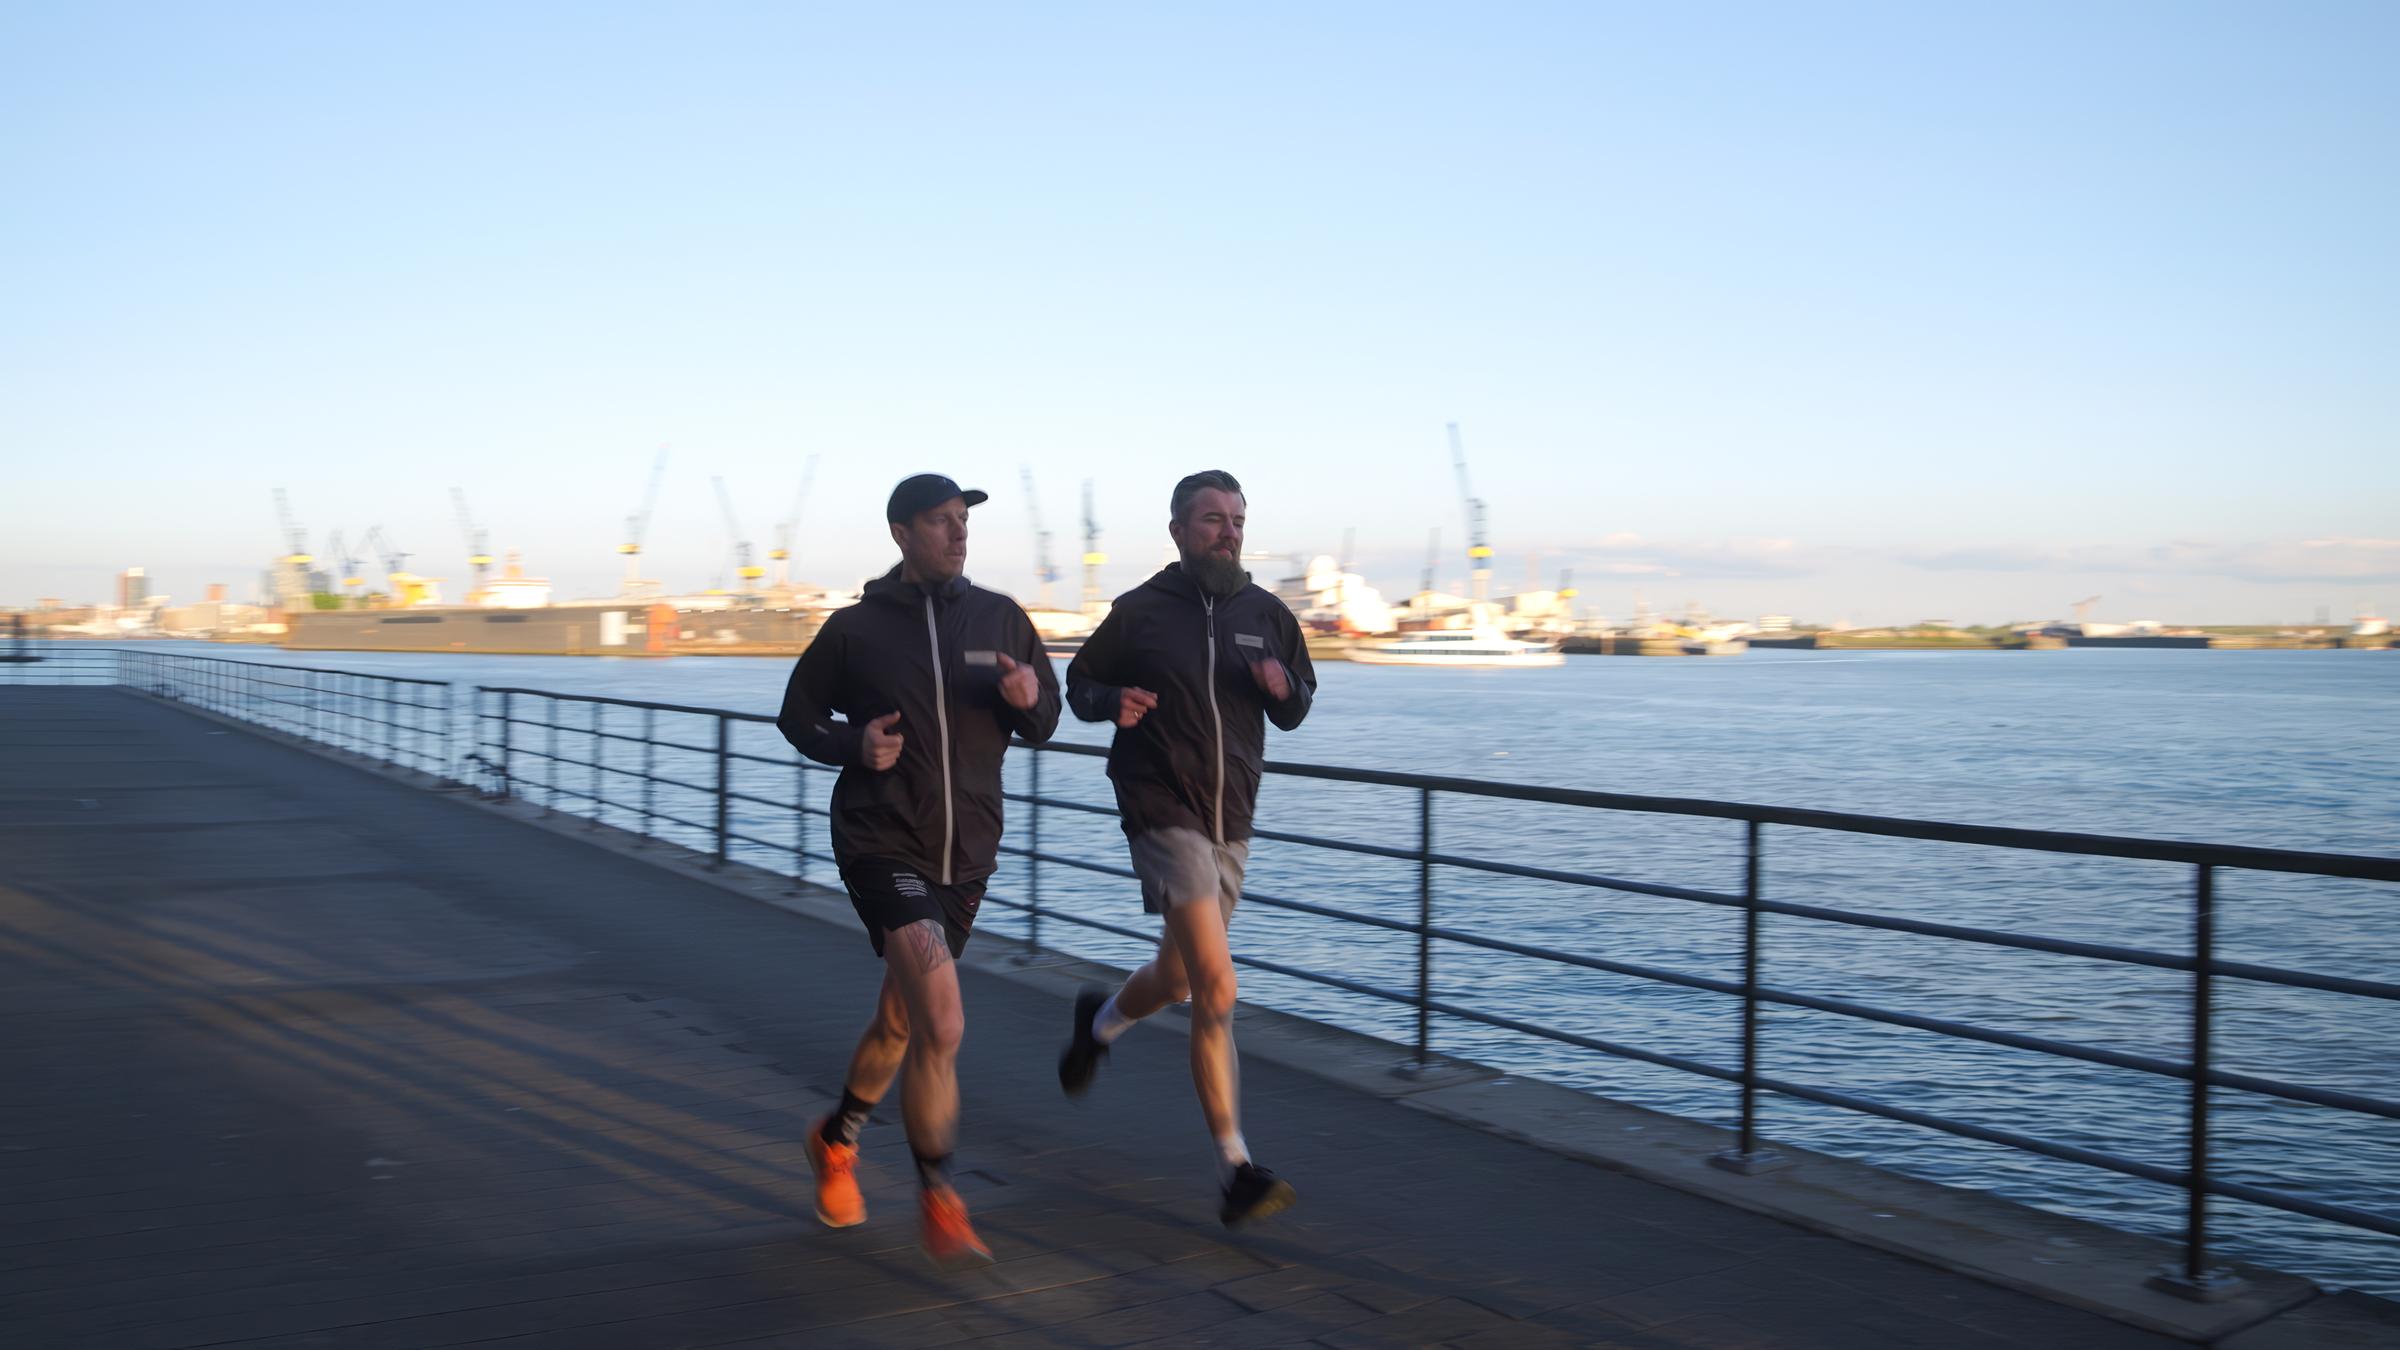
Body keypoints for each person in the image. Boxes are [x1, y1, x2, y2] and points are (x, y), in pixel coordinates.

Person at [777, 472, 1060, 1266]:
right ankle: (939, 1192)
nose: (958, 533)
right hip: (881, 842)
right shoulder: (855, 631)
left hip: (966, 856)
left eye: (963, 520)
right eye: (941, 521)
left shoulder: (999, 615)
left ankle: (835, 1138)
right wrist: (853, 745)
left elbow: (1044, 720)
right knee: (943, 1020)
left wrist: (1029, 698)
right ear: (902, 532)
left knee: (901, 1020)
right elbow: (798, 717)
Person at [1057, 468, 1316, 1227]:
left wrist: (1281, 689)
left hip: (1230, 813)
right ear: (1178, 530)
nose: (1227, 530)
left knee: (1177, 976)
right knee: (1218, 987)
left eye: (1237, 518)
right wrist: (1113, 702)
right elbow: (1079, 684)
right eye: (1211, 519)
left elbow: (1298, 705)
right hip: (1159, 804)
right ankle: (1235, 1168)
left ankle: (1098, 1024)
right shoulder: (1140, 612)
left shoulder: (1269, 614)